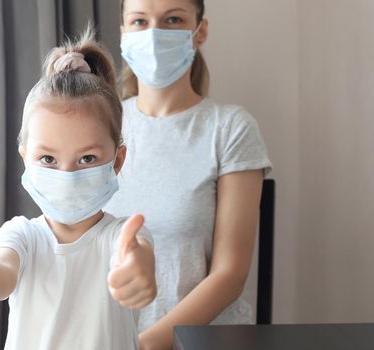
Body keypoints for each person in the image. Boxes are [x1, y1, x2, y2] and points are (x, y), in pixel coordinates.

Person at [0, 29, 156, 350]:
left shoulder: (122, 237)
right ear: (25, 160)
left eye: (87, 158)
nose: (67, 174)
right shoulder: (22, 236)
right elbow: (0, 267)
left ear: (117, 160)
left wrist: (138, 269)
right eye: (47, 158)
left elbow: (136, 256)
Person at [103, 0, 273, 349]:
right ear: (123, 33)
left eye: (173, 19)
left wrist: (144, 345)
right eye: (139, 21)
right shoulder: (101, 125)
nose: (154, 34)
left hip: (202, 341)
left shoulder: (229, 128)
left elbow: (230, 275)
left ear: (200, 31)